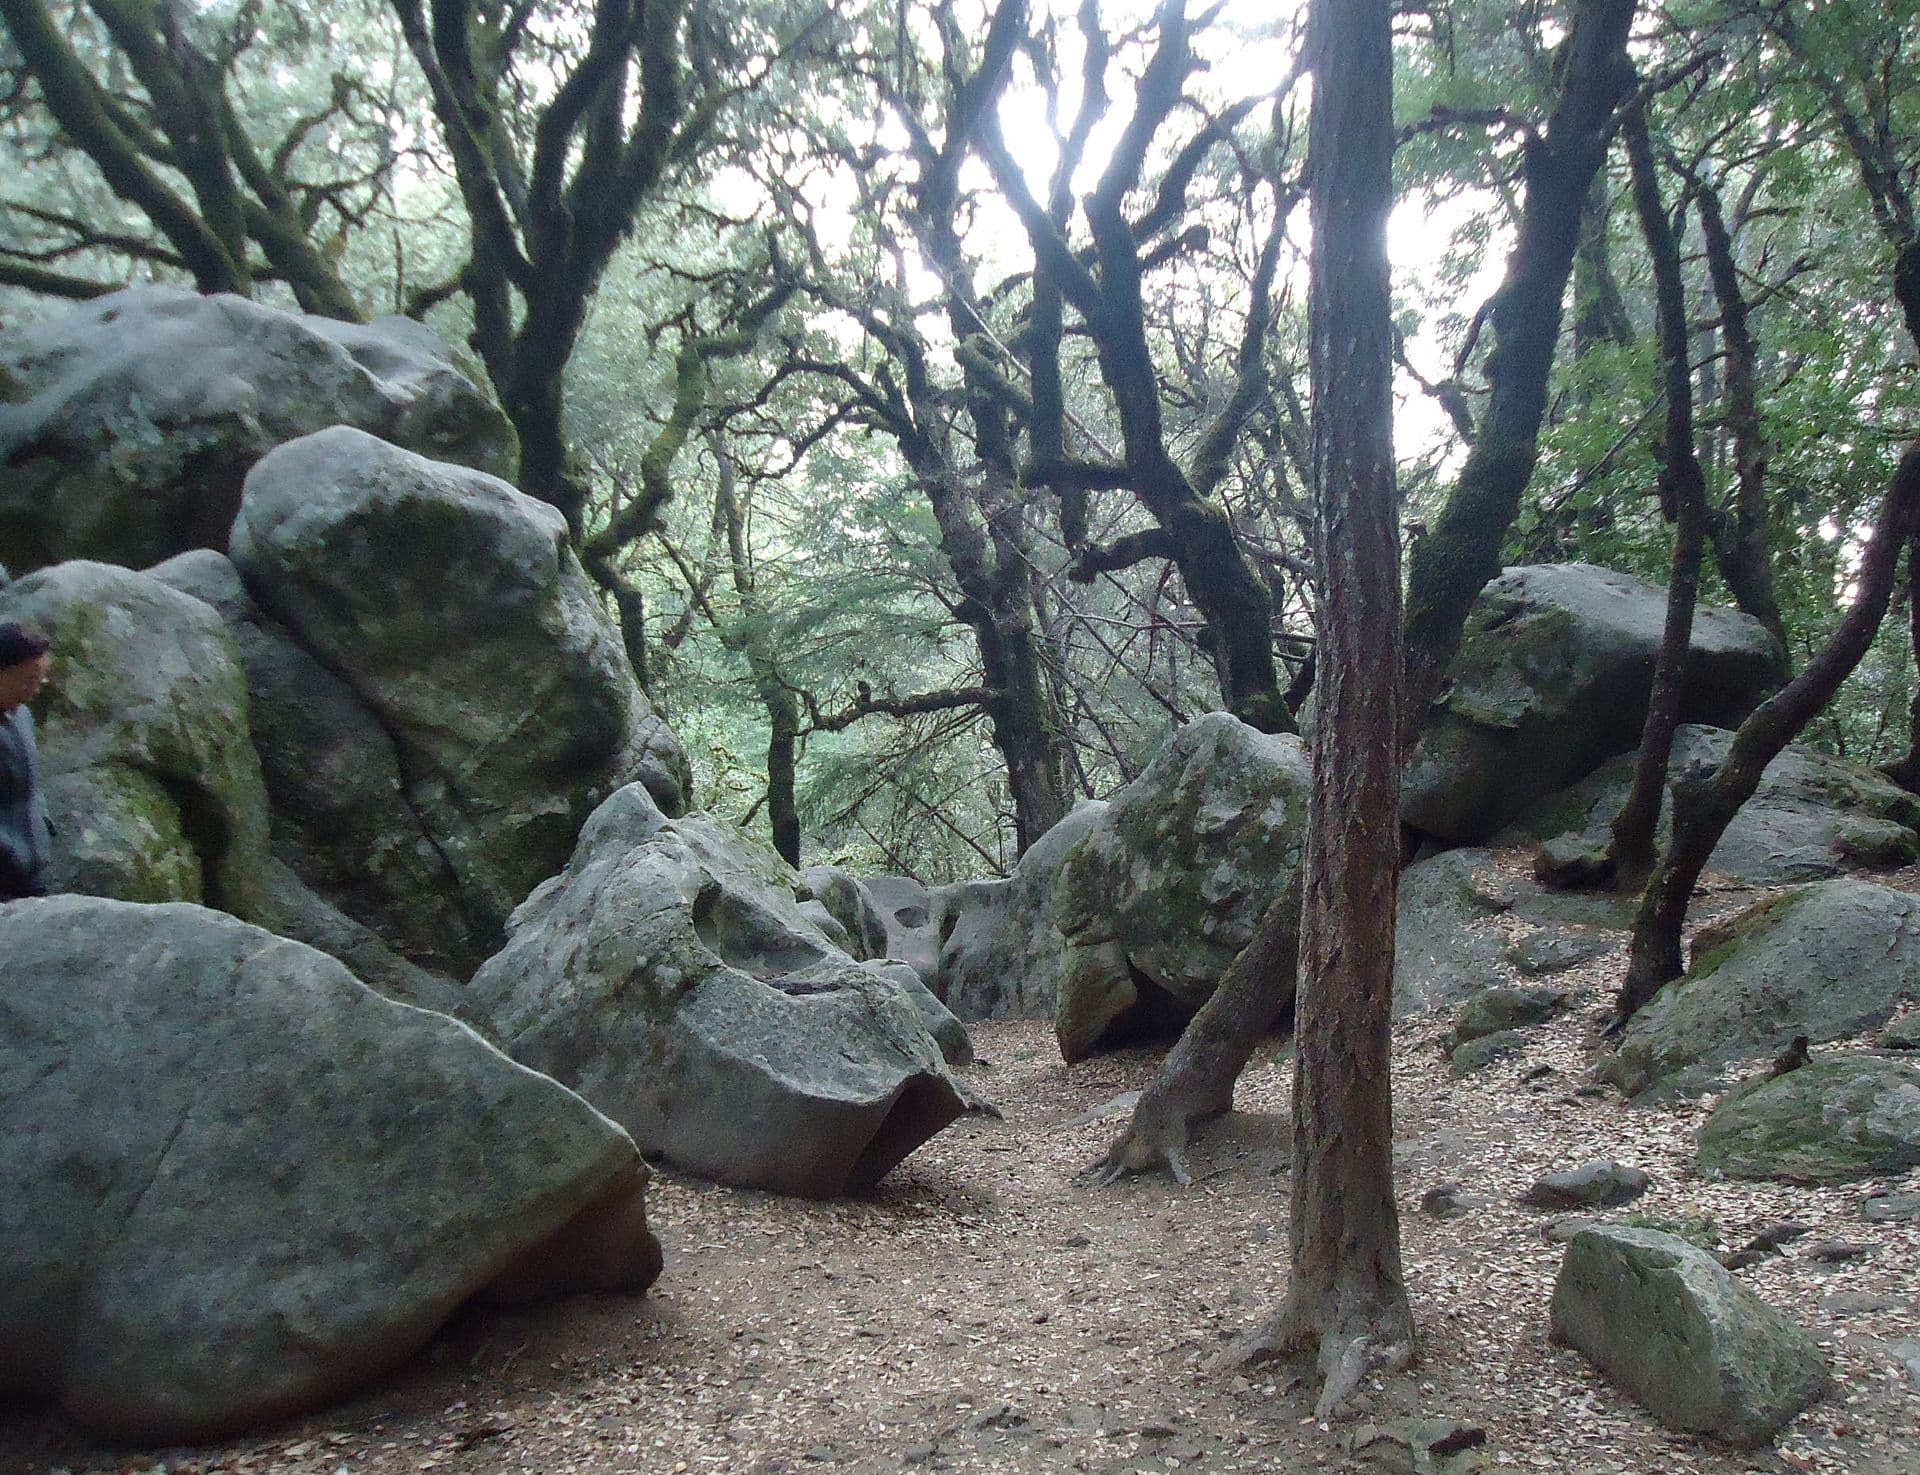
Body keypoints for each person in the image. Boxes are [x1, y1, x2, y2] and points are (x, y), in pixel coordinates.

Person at [0, 622, 53, 902]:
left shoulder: (21, 716)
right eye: (29, 680)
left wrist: (44, 823)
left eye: (41, 679)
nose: (35, 689)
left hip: (28, 872)